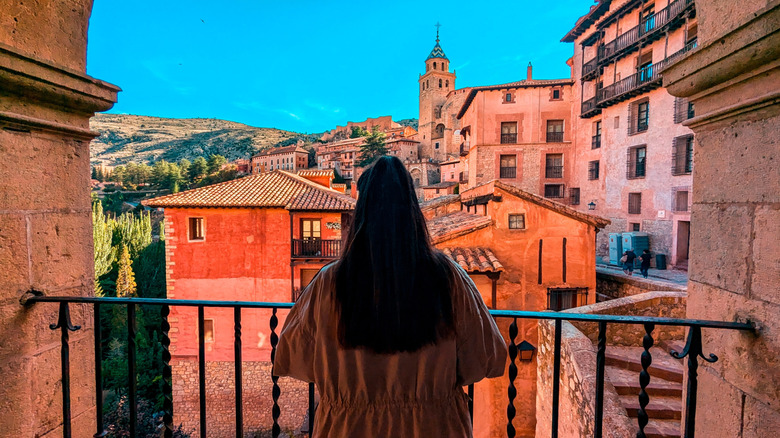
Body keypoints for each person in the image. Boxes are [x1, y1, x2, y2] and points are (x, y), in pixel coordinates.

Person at [274, 156, 507, 437]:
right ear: (413, 212)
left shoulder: (328, 283)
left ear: (362, 212)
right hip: (434, 428)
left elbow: (294, 357)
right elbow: (486, 360)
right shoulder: (449, 278)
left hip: (348, 428)